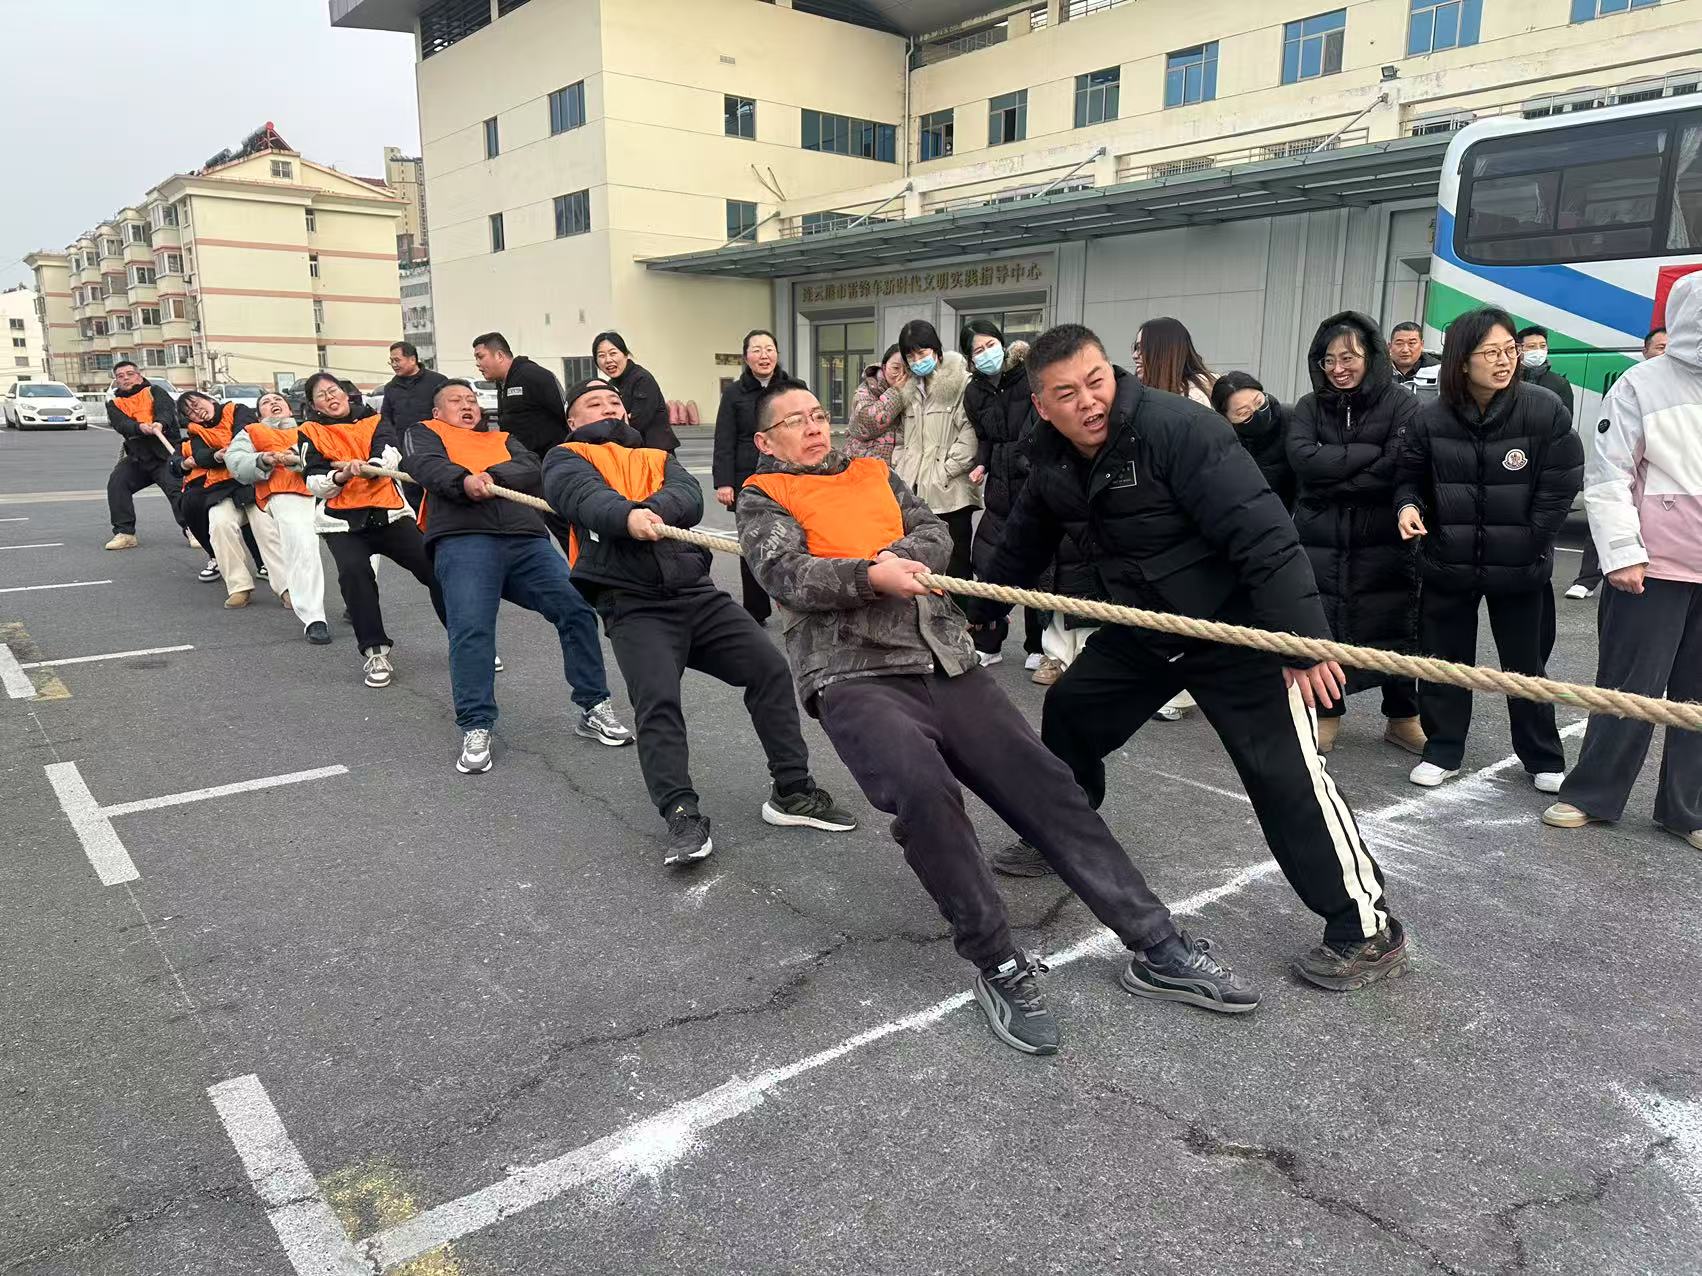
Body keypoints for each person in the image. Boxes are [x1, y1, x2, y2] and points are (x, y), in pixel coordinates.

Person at [738, 380, 1259, 1056]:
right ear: (765, 440)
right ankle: (999, 962)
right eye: (795, 421)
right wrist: (870, 576)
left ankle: (1158, 945)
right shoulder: (763, 496)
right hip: (854, 673)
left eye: (817, 415)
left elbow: (933, 530)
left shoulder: (873, 472)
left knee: (1047, 784)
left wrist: (903, 558)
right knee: (924, 791)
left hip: (945, 658)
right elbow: (785, 573)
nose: (813, 427)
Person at [970, 323, 1407, 992]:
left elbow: (1264, 533)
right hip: (1148, 628)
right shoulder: (1052, 457)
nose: (1088, 401)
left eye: (1096, 381)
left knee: (1286, 778)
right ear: (1042, 405)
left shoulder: (1179, 429)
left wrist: (1301, 640)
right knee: (1071, 713)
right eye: (1067, 393)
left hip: (1237, 631)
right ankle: (1060, 832)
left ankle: (1366, 930)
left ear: (1112, 374)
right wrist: (982, 609)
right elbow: (1026, 536)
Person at [544, 376, 854, 864]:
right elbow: (582, 498)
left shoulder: (656, 456)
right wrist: (625, 518)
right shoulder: (564, 457)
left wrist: (648, 511)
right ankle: (682, 814)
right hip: (633, 604)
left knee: (769, 669)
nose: (607, 408)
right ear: (572, 419)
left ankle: (792, 791)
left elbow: (688, 496)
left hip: (696, 594)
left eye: (613, 401)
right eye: (594, 403)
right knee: (657, 702)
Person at [1541, 273, 1701, 853]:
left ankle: (1687, 809)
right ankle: (1592, 794)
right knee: (1629, 688)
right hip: (1653, 566)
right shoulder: (1641, 383)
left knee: (1698, 698)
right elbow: (1609, 476)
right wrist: (1623, 554)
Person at [1395, 307, 1584, 789]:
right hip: (1447, 561)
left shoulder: (1543, 409)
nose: (1505, 361)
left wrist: (1532, 540)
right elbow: (1409, 477)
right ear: (1462, 360)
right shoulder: (1429, 418)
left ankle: (1543, 758)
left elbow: (1560, 483)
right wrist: (1408, 507)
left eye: (1509, 350)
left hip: (1521, 565)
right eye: (1491, 352)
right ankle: (1442, 749)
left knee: (1527, 667)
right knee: (1442, 663)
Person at [401, 380, 631, 772]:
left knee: (575, 608)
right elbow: (424, 465)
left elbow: (531, 467)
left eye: (472, 400)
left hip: (525, 540)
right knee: (471, 628)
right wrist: (463, 482)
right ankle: (476, 724)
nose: (467, 405)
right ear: (437, 412)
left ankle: (594, 706)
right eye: (456, 401)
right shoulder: (423, 432)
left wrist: (492, 476)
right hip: (463, 539)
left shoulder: (503, 439)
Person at [1287, 313, 1424, 756]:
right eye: (1328, 360)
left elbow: (1399, 463)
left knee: (1396, 623)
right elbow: (1302, 459)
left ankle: (1403, 717)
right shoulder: (1309, 406)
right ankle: (1327, 714)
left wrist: (1334, 470)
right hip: (1320, 536)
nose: (1338, 368)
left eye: (1349, 357)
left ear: (1372, 356)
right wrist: (1367, 454)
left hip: (1382, 535)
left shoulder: (1401, 403)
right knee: (1323, 624)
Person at [297, 371, 447, 689]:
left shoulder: (374, 419)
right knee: (355, 575)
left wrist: (372, 468)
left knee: (435, 568)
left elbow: (390, 453)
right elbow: (313, 480)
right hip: (341, 523)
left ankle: (467, 641)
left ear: (346, 393)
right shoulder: (309, 432)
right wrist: (340, 477)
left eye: (333, 390)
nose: (330, 397)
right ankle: (375, 652)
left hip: (389, 513)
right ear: (314, 405)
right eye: (322, 395)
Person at [962, 321, 1045, 673]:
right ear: (970, 358)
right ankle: (989, 642)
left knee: (1038, 563)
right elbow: (984, 436)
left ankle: (1038, 645)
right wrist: (981, 463)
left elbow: (1042, 423)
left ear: (1003, 343)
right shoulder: (974, 392)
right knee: (989, 562)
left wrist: (1028, 460)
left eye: (990, 345)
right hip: (998, 486)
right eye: (977, 350)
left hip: (1033, 480)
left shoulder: (1028, 376)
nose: (986, 354)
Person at [1569, 326, 1676, 600]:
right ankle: (1587, 578)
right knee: (1606, 520)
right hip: (1633, 499)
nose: (1665, 353)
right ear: (1645, 351)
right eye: (1660, 347)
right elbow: (1608, 476)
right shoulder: (1631, 386)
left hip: (1676, 538)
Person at [225, 391, 332, 643]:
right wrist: (261, 459)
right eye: (266, 402)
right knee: (303, 548)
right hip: (286, 492)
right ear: (258, 414)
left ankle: (357, 601)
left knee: (362, 542)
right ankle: (314, 617)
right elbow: (235, 461)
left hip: (329, 487)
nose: (273, 403)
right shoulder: (252, 431)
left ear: (289, 408)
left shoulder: (310, 428)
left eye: (278, 400)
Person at [178, 390, 283, 611]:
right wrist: (216, 456)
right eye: (190, 412)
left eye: (197, 404)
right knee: (219, 524)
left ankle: (287, 587)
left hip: (253, 482)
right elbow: (200, 456)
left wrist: (231, 452)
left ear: (210, 400)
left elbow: (245, 434)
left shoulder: (236, 410)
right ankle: (239, 587)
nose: (197, 412)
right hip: (222, 489)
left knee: (265, 527)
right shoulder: (195, 431)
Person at [893, 319, 979, 582]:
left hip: (950, 491)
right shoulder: (909, 390)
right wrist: (901, 466)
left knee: (956, 565)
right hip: (914, 490)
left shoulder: (961, 383)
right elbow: (901, 437)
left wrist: (944, 472)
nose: (917, 360)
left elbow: (970, 433)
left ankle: (961, 609)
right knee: (920, 565)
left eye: (921, 352)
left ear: (936, 350)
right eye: (910, 356)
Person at [712, 329, 785, 623]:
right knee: (751, 543)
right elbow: (724, 438)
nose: (764, 355)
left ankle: (795, 604)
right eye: (756, 350)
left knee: (792, 540)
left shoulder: (792, 387)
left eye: (769, 349)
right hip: (747, 477)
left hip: (786, 474)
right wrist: (724, 482)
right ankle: (756, 609)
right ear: (746, 357)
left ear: (777, 353)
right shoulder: (734, 393)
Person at [104, 361, 183, 550]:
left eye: (129, 374)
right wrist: (139, 427)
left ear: (139, 376)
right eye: (120, 376)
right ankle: (125, 533)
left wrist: (160, 423)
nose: (125, 378)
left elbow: (166, 411)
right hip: (138, 458)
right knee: (117, 483)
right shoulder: (114, 403)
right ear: (116, 381)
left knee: (177, 490)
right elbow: (121, 424)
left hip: (165, 456)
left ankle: (193, 530)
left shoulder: (154, 391)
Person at [1210, 371, 1294, 511]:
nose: (1256, 411)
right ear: (1226, 419)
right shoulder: (1223, 444)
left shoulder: (1293, 419)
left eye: (1259, 402)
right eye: (1244, 413)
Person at [472, 331, 567, 456]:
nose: (477, 363)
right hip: (521, 460)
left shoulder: (534, 375)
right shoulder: (502, 383)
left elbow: (565, 414)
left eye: (480, 357)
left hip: (547, 459)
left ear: (499, 355)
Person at [593, 331, 678, 452]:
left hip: (655, 452)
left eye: (613, 353)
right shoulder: (611, 385)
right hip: (632, 451)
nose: (608, 360)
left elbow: (637, 421)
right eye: (601, 356)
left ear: (626, 355)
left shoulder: (642, 379)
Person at [378, 341, 449, 443]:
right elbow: (386, 419)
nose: (394, 365)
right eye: (391, 361)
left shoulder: (437, 381)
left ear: (412, 360)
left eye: (397, 360)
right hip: (403, 444)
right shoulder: (391, 387)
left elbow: (448, 413)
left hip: (434, 442)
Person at [1134, 317, 1214, 404]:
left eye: (1141, 348)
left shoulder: (1196, 397)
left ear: (1164, 352)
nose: (1134, 356)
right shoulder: (1141, 391)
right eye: (1136, 348)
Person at [847, 344, 906, 463]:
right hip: (866, 466)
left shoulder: (915, 390)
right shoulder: (867, 388)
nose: (901, 375)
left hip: (901, 467)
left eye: (907, 370)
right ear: (884, 367)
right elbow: (866, 424)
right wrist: (896, 392)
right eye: (896, 368)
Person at [1515, 325, 1575, 414]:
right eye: (1532, 346)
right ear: (1518, 349)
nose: (1538, 351)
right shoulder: (1508, 378)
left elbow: (1565, 419)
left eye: (1542, 346)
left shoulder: (1560, 384)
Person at [1388, 321, 1438, 390]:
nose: (1405, 350)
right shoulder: (1377, 370)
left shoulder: (1439, 372)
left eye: (1411, 343)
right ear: (1390, 346)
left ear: (1422, 345)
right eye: (1399, 343)